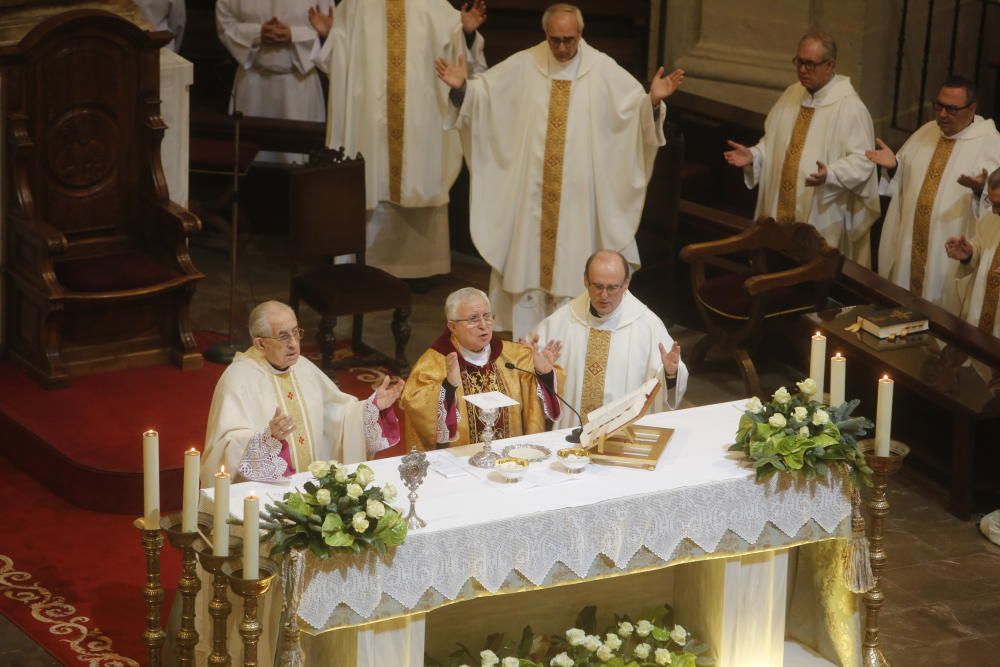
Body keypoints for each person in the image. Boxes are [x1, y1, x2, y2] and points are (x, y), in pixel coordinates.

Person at [435, 3, 684, 338]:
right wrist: (462, 88)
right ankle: (527, 344)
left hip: (577, 201)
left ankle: (572, 343)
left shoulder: (602, 69)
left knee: (573, 267)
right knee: (528, 271)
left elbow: (633, 113)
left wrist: (652, 101)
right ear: (546, 35)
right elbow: (485, 97)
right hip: (531, 198)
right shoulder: (525, 64)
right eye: (555, 40)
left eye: (569, 39)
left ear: (580, 34)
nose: (562, 47)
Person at [308, 1, 487, 283]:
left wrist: (465, 32)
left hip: (420, 119)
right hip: (371, 121)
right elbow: (337, 61)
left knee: (418, 173)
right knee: (371, 178)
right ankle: (365, 264)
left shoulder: (432, 4)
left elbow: (461, 58)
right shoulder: (357, 5)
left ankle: (421, 270)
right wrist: (325, 35)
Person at [201, 301, 403, 485]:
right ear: (260, 344)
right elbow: (224, 448)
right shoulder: (238, 378)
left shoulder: (304, 368)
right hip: (264, 494)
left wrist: (372, 408)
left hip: (313, 487)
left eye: (296, 332)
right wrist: (267, 439)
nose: (293, 344)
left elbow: (339, 416)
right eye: (283, 336)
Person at [723, 32, 879, 266]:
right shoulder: (792, 94)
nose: (803, 70)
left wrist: (831, 174)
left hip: (822, 213)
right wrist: (755, 154)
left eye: (810, 64)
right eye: (799, 62)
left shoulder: (850, 108)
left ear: (830, 65)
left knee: (810, 276)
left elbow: (864, 160)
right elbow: (775, 142)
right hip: (779, 217)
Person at [869, 76, 1000, 309]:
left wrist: (980, 189)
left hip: (947, 256)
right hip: (909, 247)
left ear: (971, 109)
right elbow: (906, 181)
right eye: (938, 106)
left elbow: (995, 213)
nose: (942, 114)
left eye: (951, 109)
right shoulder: (926, 132)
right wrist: (896, 167)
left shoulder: (991, 144)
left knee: (941, 314)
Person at [532, 250, 687, 430]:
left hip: (622, 433)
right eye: (597, 286)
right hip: (572, 431)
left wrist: (670, 373)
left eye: (612, 287)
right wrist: (540, 369)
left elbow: (668, 383)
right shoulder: (563, 320)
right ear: (585, 281)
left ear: (626, 284)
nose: (604, 295)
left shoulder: (647, 325)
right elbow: (530, 365)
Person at [401, 287, 563, 450]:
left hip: (510, 461)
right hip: (460, 463)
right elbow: (417, 405)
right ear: (452, 327)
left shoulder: (515, 356)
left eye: (487, 316)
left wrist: (544, 374)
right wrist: (448, 386)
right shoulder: (434, 363)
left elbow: (539, 411)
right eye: (473, 319)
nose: (483, 325)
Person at [216, 0, 330, 163]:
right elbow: (225, 23)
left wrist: (294, 35)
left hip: (298, 82)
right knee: (248, 156)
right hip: (253, 81)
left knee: (297, 158)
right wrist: (257, 33)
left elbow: (329, 26)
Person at [945, 167, 1000, 337]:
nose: (994, 211)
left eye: (999, 205)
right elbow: (982, 248)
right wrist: (969, 254)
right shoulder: (990, 220)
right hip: (981, 322)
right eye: (992, 204)